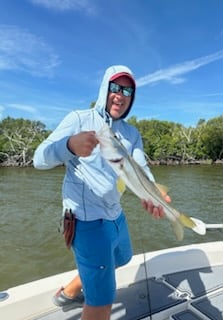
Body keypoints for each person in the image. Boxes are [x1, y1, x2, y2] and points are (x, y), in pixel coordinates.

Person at [33, 65, 168, 320]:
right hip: (86, 221)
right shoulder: (79, 119)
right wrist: (69, 145)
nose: (120, 94)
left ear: (132, 97)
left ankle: (70, 292)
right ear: (105, 88)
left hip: (115, 216)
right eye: (115, 87)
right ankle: (89, 298)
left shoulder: (131, 133)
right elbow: (38, 159)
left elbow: (141, 167)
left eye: (127, 90)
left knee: (123, 257)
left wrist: (154, 193)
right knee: (102, 303)